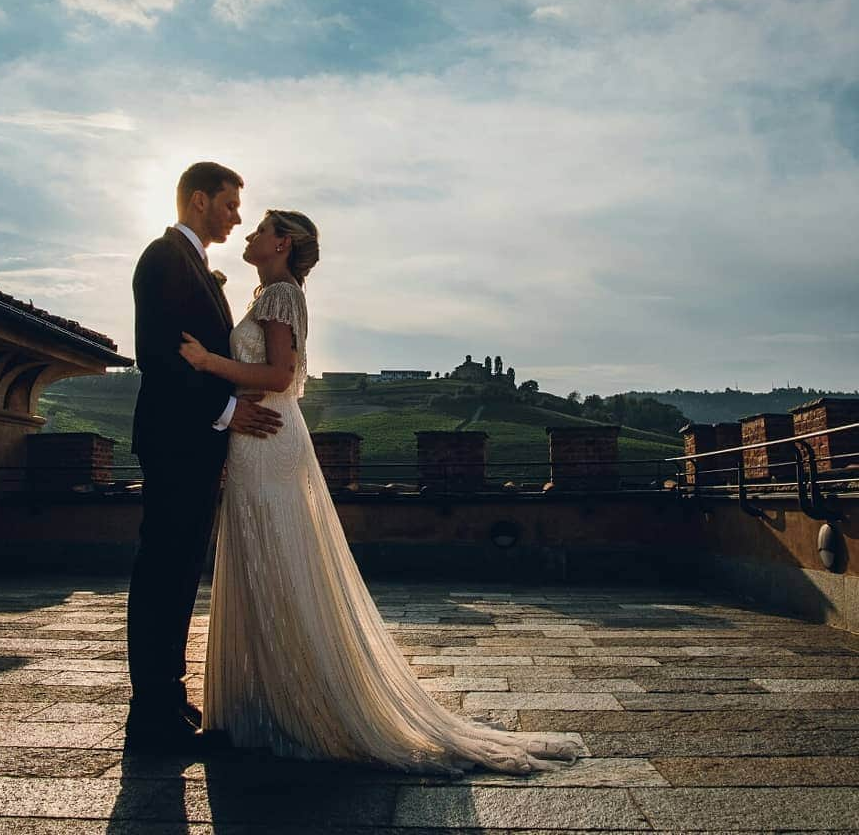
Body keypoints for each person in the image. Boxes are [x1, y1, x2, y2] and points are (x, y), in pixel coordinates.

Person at [178, 208, 588, 775]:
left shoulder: (281, 296)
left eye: (260, 230)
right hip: (260, 436)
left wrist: (207, 362)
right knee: (262, 559)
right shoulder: (269, 292)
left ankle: (294, 704)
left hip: (269, 436)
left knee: (275, 558)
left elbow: (280, 377)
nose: (248, 236)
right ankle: (268, 700)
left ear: (283, 243)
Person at [125, 162, 282, 753]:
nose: (238, 217)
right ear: (198, 200)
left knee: (181, 570)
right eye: (229, 204)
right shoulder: (165, 259)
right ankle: (152, 718)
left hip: (191, 441)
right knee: (165, 571)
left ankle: (167, 700)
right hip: (176, 438)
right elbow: (160, 357)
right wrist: (224, 413)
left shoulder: (192, 266)